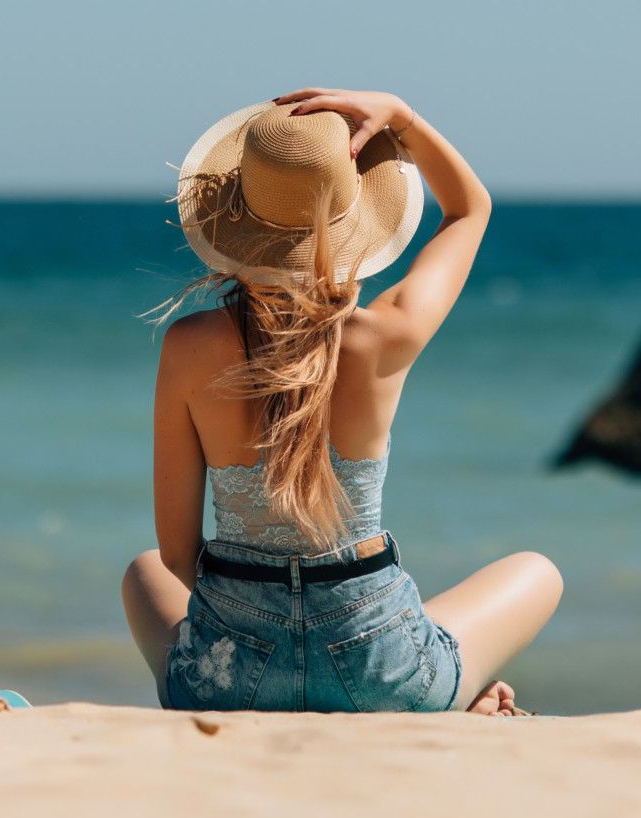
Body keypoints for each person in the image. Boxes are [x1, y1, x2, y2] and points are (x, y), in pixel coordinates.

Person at [121, 89, 562, 715]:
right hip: (382, 673)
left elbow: (175, 556)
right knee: (538, 570)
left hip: (231, 681)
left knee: (141, 572)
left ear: (233, 225)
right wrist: (401, 116)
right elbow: (469, 210)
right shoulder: (387, 334)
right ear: (356, 224)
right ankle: (453, 688)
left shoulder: (188, 346)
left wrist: (256, 622)